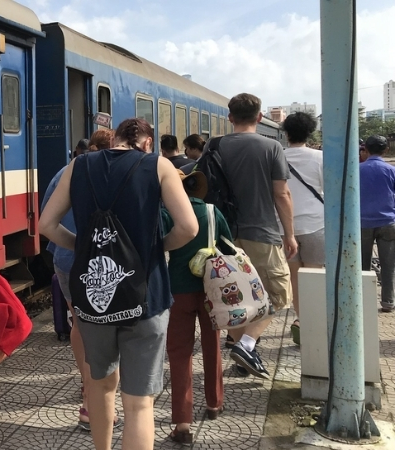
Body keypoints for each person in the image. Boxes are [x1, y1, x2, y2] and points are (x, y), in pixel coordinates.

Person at [39, 118, 198, 450]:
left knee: (99, 385)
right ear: (146, 142)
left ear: (115, 139)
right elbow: (188, 227)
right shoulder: (159, 166)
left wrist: (81, 247)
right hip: (146, 296)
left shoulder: (79, 166)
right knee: (139, 403)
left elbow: (47, 225)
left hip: (94, 297)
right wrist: (153, 250)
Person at [213, 93, 296, 379]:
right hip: (263, 233)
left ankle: (241, 357)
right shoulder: (271, 147)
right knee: (279, 294)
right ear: (259, 117)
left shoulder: (215, 147)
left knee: (233, 300)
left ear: (230, 117)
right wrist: (290, 234)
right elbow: (281, 194)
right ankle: (247, 344)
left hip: (223, 236)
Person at [41, 128, 118, 432]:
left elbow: (47, 220)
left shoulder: (64, 173)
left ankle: (88, 389)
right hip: (106, 265)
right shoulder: (119, 175)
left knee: (80, 325)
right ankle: (95, 399)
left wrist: (71, 246)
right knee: (106, 331)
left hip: (68, 259)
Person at [162, 169, 232, 444]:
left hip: (178, 291)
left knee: (179, 354)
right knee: (212, 344)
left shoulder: (168, 213)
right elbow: (228, 248)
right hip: (211, 291)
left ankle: (182, 423)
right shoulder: (213, 212)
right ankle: (214, 403)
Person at [279, 112, 324, 345]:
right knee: (315, 277)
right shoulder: (320, 158)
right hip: (316, 225)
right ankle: (315, 323)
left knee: (294, 278)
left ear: (286, 133)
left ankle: (299, 319)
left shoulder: (277, 156)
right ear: (310, 133)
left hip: (286, 228)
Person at [360, 135, 395, 312]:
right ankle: (388, 302)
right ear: (385, 150)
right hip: (388, 222)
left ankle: (364, 301)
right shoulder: (391, 170)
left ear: (365, 149)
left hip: (362, 223)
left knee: (363, 264)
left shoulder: (357, 170)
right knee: (388, 264)